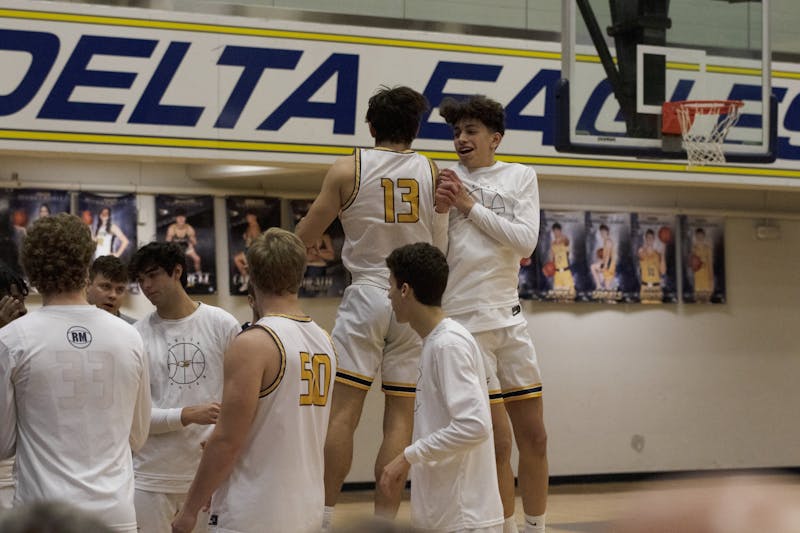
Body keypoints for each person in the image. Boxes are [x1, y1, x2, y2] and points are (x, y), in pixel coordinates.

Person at [295, 85, 448, 526]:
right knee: (399, 417)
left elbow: (306, 234)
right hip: (414, 298)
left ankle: (322, 517)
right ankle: (384, 522)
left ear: (370, 125)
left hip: (366, 291)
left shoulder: (347, 169)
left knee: (344, 412)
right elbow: (439, 248)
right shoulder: (432, 171)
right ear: (416, 128)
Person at [172, 228, 337, 533]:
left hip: (254, 512)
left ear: (251, 273)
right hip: (306, 508)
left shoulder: (254, 343)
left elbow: (226, 440)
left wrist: (190, 507)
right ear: (300, 274)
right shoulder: (325, 340)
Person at [436, 95, 547, 533]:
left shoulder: (520, 176)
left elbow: (525, 243)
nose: (461, 139)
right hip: (465, 325)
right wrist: (445, 208)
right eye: (456, 132)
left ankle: (537, 526)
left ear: (494, 139)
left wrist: (469, 206)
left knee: (535, 437)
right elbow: (437, 246)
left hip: (511, 322)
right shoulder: (443, 179)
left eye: (470, 131)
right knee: (497, 443)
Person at [0, 213, 151, 532]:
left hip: (44, 515)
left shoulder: (12, 339)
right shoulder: (130, 336)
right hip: (115, 513)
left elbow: (3, 443)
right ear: (86, 265)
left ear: (31, 270)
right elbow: (138, 436)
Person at [380, 242, 504, 533]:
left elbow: (474, 426)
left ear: (405, 290)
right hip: (449, 517)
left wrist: (407, 456)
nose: (388, 294)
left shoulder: (448, 344)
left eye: (391, 285)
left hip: (464, 520)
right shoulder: (437, 342)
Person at [128, 241, 239, 533]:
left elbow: (241, 402)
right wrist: (187, 414)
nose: (146, 286)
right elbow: (134, 418)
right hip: (150, 477)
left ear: (177, 271)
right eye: (140, 280)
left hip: (206, 475)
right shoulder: (134, 336)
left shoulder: (222, 324)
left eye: (152, 275)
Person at [0, 261, 28, 512]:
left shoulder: (25, 341)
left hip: (19, 475)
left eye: (21, 300)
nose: (20, 309)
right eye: (12, 300)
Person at [86, 255, 136, 324]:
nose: (113, 295)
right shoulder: (69, 322)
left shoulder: (134, 328)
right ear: (88, 285)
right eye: (106, 287)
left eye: (120, 289)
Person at [165, 208, 202, 278]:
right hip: (176, 248)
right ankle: (171, 275)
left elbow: (195, 243)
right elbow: (167, 242)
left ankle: (199, 274)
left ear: (185, 218)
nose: (181, 219)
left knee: (197, 259)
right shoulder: (172, 228)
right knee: (171, 260)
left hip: (187, 247)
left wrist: (192, 241)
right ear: (176, 219)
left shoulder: (189, 228)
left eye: (183, 217)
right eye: (179, 218)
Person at [232, 210, 262, 293]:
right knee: (237, 259)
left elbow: (257, 241)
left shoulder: (255, 227)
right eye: (247, 217)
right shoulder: (250, 226)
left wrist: (250, 241)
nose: (247, 218)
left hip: (251, 251)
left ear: (254, 217)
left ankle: (248, 282)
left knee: (250, 268)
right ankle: (246, 280)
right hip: (247, 249)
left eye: (249, 216)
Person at [637, 229, 666, 303]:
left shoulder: (657, 254)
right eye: (648, 238)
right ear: (645, 239)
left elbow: (663, 272)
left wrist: (662, 255)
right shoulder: (641, 251)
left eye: (651, 238)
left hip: (656, 288)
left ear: (654, 239)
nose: (650, 239)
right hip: (645, 287)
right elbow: (640, 254)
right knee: (645, 312)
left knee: (656, 312)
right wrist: (646, 247)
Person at [549, 223, 576, 299]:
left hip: (566, 272)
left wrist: (560, 239)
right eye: (554, 231)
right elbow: (552, 259)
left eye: (557, 231)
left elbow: (567, 242)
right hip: (557, 273)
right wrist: (549, 268)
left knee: (570, 296)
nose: (556, 233)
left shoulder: (565, 240)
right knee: (558, 297)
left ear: (560, 231)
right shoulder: (553, 244)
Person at [691, 227, 714, 302]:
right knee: (698, 303)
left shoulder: (708, 249)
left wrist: (711, 281)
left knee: (706, 301)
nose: (699, 238)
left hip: (706, 279)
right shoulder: (693, 249)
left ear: (704, 237)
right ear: (695, 237)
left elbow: (710, 264)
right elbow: (691, 266)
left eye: (701, 236)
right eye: (698, 236)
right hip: (697, 280)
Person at [590, 224, 616, 291]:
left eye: (604, 232)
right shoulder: (606, 241)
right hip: (609, 264)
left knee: (593, 267)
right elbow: (606, 256)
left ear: (607, 232)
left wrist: (604, 266)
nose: (602, 234)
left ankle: (599, 286)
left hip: (609, 266)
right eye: (601, 232)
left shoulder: (608, 241)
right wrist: (601, 262)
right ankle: (599, 286)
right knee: (607, 286)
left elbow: (608, 256)